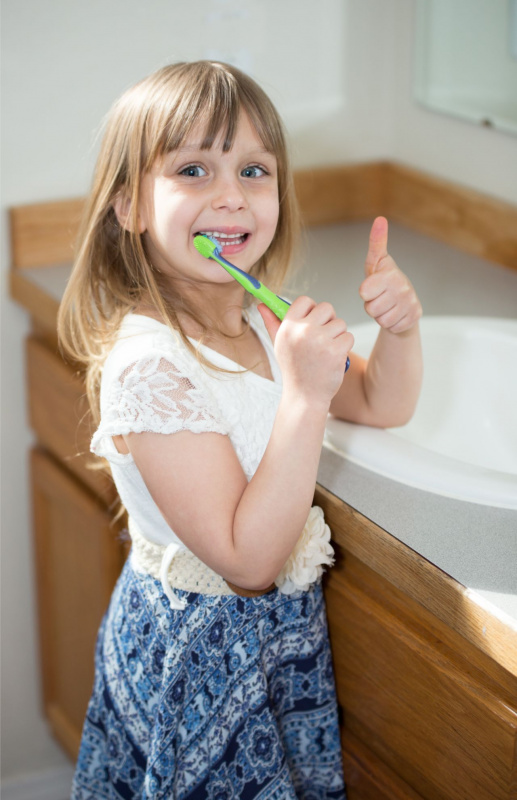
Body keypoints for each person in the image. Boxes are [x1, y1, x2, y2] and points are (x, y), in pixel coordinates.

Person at [58, 60, 422, 800]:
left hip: (275, 648)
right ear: (128, 205)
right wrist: (301, 399)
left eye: (253, 170)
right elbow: (245, 562)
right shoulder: (147, 368)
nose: (230, 196)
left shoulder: (264, 316)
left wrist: (399, 331)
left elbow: (381, 401)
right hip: (201, 657)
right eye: (193, 169)